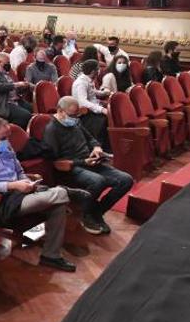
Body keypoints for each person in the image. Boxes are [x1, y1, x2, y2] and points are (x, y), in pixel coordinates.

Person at [0, 118, 76, 272]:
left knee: (59, 204)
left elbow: (19, 171)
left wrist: (26, 183)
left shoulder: (3, 145)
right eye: (3, 138)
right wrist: (14, 186)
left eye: (8, 137)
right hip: (0, 201)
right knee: (60, 195)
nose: (7, 141)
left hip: (21, 191)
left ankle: (51, 256)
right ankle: (66, 192)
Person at [44, 96, 133, 234]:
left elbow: (91, 138)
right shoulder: (52, 129)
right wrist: (82, 162)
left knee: (126, 180)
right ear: (60, 111)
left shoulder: (75, 122)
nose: (75, 118)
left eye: (77, 114)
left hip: (89, 161)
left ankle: (96, 212)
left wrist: (97, 147)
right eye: (72, 115)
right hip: (72, 167)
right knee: (98, 181)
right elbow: (54, 161)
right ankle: (86, 215)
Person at [0, 53, 32, 129]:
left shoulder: (5, 74)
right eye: (7, 63)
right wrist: (15, 85)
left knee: (33, 110)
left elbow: (13, 88)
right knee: (26, 116)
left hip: (16, 100)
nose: (9, 65)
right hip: (3, 103)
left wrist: (22, 87)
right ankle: (13, 134)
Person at [72, 60, 110, 150]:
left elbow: (93, 92)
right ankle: (99, 147)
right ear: (93, 71)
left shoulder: (89, 80)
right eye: (98, 69)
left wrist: (103, 93)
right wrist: (101, 109)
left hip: (93, 108)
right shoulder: (81, 83)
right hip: (84, 113)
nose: (99, 71)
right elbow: (82, 102)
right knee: (104, 119)